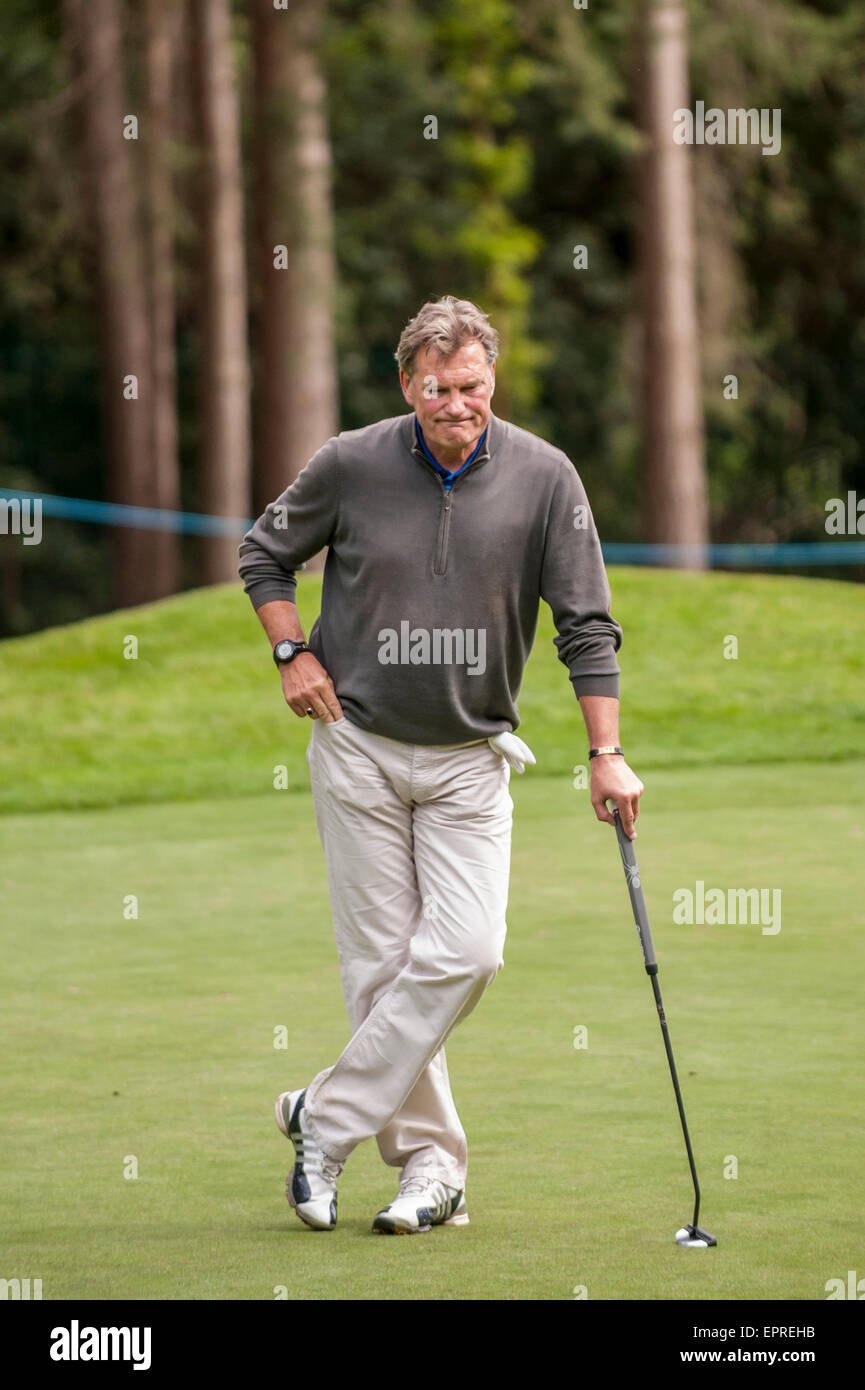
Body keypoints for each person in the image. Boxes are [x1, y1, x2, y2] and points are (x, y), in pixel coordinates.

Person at [237, 295, 644, 1234]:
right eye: (437, 388)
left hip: (471, 759)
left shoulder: (546, 477)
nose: (457, 405)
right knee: (381, 971)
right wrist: (290, 652)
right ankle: (431, 1172)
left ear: (490, 378)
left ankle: (323, 1117)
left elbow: (586, 626)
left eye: (471, 386)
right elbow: (264, 555)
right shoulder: (349, 462)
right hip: (360, 748)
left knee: (468, 952)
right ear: (405, 384)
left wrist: (606, 753)